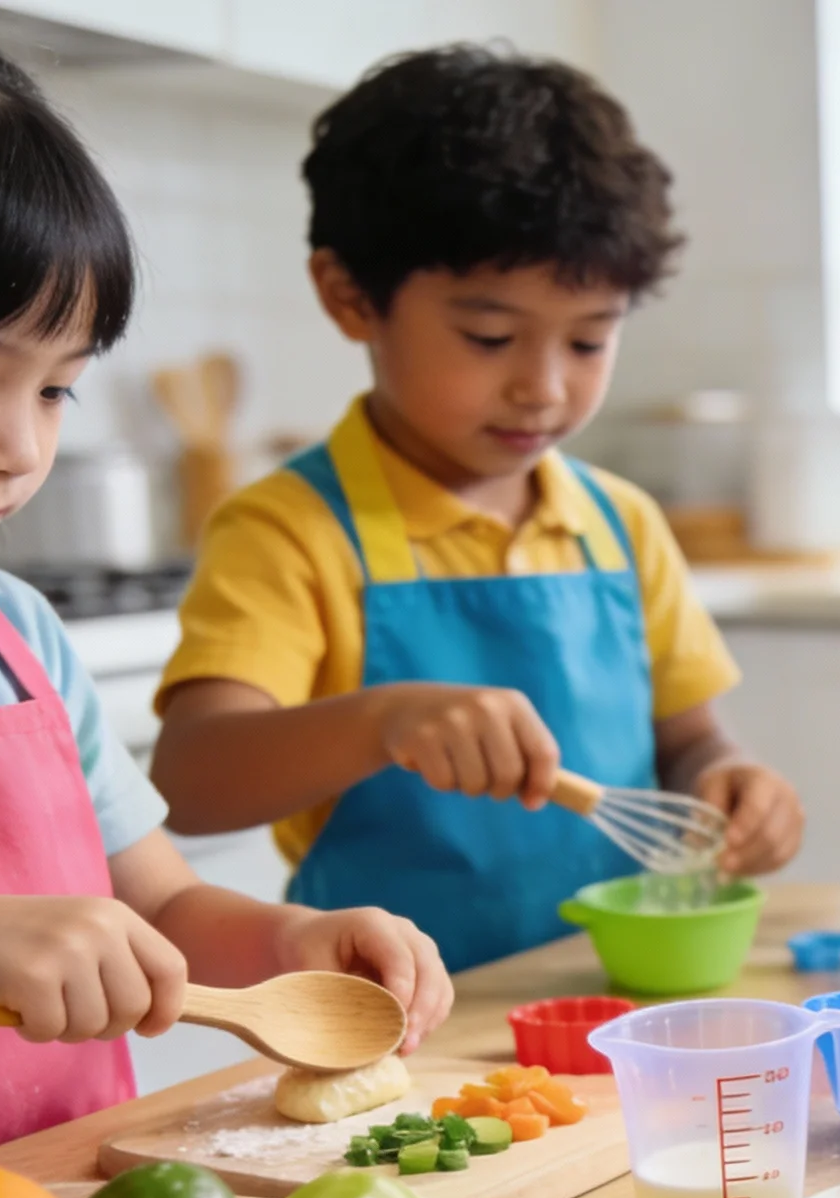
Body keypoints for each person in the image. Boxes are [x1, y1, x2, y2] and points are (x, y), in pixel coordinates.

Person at [0, 2, 450, 1191]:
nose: (20, 447)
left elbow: (153, 894)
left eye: (58, 389)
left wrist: (285, 948)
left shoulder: (13, 632)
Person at [150, 47, 802, 973]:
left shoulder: (620, 525)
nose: (543, 387)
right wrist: (384, 720)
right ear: (348, 297)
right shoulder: (289, 532)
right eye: (489, 336)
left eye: (588, 339)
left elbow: (688, 736)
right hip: (393, 1022)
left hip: (608, 998)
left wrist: (726, 783)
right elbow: (190, 781)